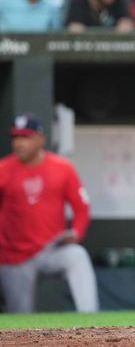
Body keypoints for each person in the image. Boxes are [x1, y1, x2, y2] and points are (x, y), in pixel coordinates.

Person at [0, 114, 98, 313]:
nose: (19, 143)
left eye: (26, 137)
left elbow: (81, 207)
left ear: (40, 139)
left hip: (51, 248)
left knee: (77, 255)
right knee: (19, 322)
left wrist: (77, 232)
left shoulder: (62, 168)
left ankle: (91, 318)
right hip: (14, 255)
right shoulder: (3, 169)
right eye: (16, 137)